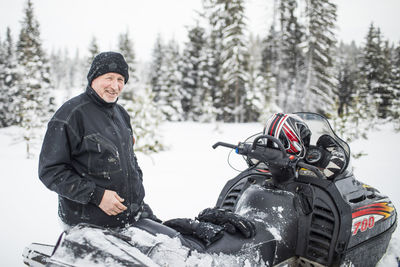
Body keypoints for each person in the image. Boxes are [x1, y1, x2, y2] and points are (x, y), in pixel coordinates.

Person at [39, 51, 158, 229]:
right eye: (109, 78)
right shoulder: (71, 114)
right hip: (90, 225)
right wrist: (96, 195)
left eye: (120, 79)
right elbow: (51, 171)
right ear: (93, 78)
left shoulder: (121, 114)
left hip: (132, 215)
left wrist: (137, 191)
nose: (115, 86)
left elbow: (129, 159)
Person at [263, 113, 346, 179]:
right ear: (292, 138)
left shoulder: (259, 158)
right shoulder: (293, 168)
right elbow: (328, 174)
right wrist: (336, 150)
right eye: (303, 137)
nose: (305, 142)